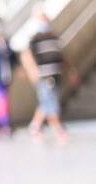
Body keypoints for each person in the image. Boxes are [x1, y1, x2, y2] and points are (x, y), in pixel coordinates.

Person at [21, 8, 79, 142]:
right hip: (45, 76)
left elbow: (61, 56)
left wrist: (71, 71)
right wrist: (32, 70)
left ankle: (35, 126)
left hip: (56, 74)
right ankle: (57, 127)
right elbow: (26, 55)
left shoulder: (54, 37)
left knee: (47, 101)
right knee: (50, 101)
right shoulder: (35, 38)